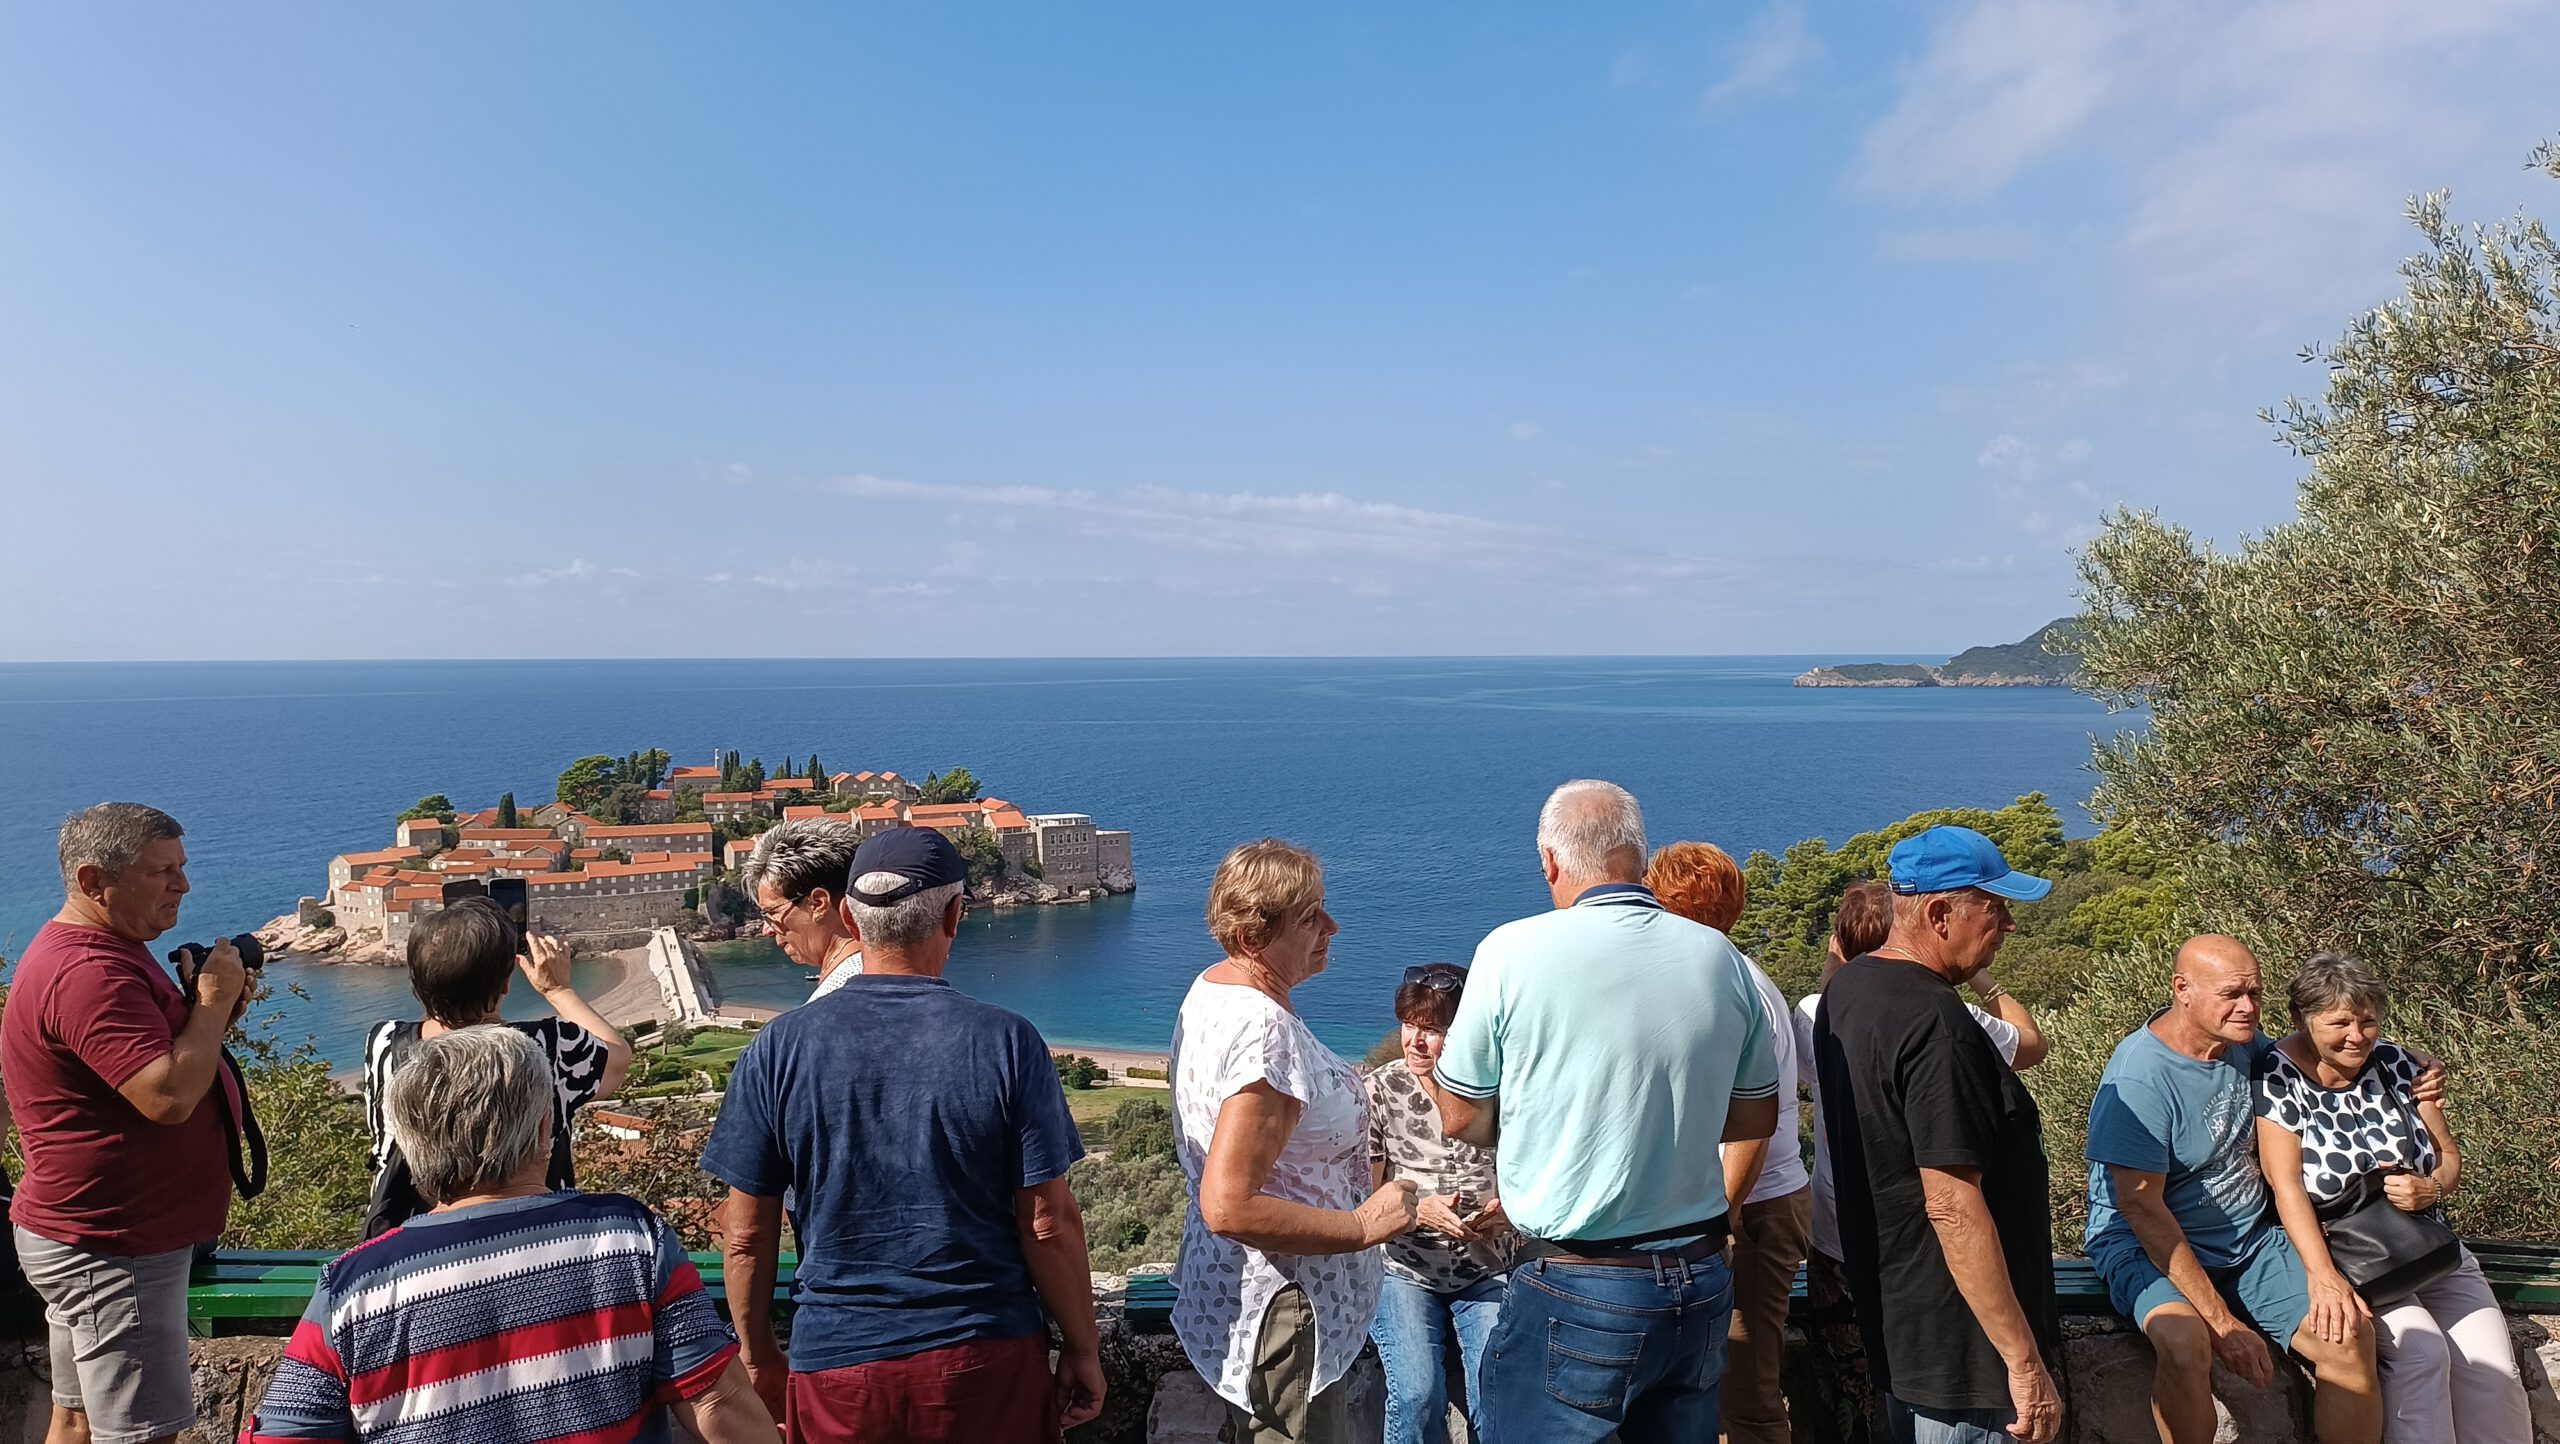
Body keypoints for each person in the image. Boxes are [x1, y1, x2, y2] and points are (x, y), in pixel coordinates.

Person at [699, 826, 1106, 1443]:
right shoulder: (1007, 1042)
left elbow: (747, 1235)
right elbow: (1047, 1223)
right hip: (983, 1355)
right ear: (955, 914)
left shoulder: (778, 1048)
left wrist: (758, 1357)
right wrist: (1082, 1348)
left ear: (848, 917)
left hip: (837, 1361)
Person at [1416, 780, 1779, 1444]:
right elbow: (1756, 1119)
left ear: (1550, 862)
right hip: (1698, 1277)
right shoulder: (1720, 958)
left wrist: (1543, 1123)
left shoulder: (1511, 951)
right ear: (1638, 856)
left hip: (1578, 1281)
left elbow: (1459, 1116)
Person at [240, 1027, 780, 1444]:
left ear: (410, 1147)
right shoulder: (631, 1240)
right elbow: (718, 1405)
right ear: (545, 1131)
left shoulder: (354, 1287)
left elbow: (286, 1433)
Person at [2084, 935, 2399, 1444]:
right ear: (2182, 990)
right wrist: (2222, 1323)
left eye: (2255, 993)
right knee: (2186, 1343)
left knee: (2347, 1336)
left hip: (2248, 1241)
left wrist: (2410, 1063)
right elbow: (2140, 1207)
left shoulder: (2243, 1043)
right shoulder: (2141, 1077)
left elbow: (2329, 1050)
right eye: (2232, 994)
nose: (2248, 1007)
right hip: (2147, 1243)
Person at [1813, 825, 2062, 1444]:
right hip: (1966, 1353)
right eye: (1995, 907)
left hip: (1902, 1322)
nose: (2008, 925)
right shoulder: (1937, 1025)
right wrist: (2023, 1362)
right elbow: (1951, 1203)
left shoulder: (1848, 988)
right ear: (1939, 913)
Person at [4, 803, 245, 1444]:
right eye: (162, 871)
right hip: (116, 1244)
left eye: (182, 867)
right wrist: (213, 1003)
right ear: (93, 881)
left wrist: (210, 1020)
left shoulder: (99, 953)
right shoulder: (91, 973)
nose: (182, 885)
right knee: (140, 1434)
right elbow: (166, 1098)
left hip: (90, 1233)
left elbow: (153, 1072)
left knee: (77, 1420)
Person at [1171, 839, 1417, 1442]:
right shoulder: (1265, 1032)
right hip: (1285, 1307)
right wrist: (1362, 1226)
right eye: (1309, 918)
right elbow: (1229, 1205)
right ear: (1253, 937)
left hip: (1245, 1293)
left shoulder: (1213, 989)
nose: (1332, 926)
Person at [2254, 953, 2529, 1444]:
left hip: (2428, 1243)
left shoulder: (2402, 1065)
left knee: (2494, 1371)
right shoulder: (2277, 1077)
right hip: (2353, 1258)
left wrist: (2433, 1187)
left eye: (2367, 1021)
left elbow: (2447, 1156)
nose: (2356, 1036)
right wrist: (2323, 1278)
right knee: (2422, 1356)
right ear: (2301, 1019)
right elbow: (2286, 1184)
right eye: (2339, 1023)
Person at [1643, 840, 1809, 1444]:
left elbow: (1749, 1125)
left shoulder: (1731, 987)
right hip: (1735, 1205)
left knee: (1745, 1393)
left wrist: (1721, 1223)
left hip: (1748, 1208)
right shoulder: (1729, 976)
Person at [1798, 880, 2048, 1274]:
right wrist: (1980, 976)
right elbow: (2032, 1045)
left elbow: (1830, 999)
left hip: (1835, 1226)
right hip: (1920, 1245)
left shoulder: (1814, 1014)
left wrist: (1840, 959)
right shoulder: (1952, 1020)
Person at [359, 895, 631, 1236]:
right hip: (532, 1234)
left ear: (416, 981)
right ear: (505, 984)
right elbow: (617, 1058)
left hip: (416, 1237)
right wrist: (558, 990)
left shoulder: (385, 1043)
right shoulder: (549, 1045)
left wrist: (442, 987)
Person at [1366, 962, 1514, 1444]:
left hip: (1488, 1267)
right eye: (1409, 1025)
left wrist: (1511, 1216)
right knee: (1416, 1394)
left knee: (1495, 1392)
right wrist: (1417, 1212)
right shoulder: (1380, 1091)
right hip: (1404, 1270)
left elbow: (1537, 1178)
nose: (1415, 1041)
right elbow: (1364, 1197)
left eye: (1432, 1029)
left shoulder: (1503, 1089)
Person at [740, 817, 865, 1000]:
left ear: (818, 904)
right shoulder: (885, 974)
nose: (766, 930)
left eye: (772, 912)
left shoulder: (836, 998)